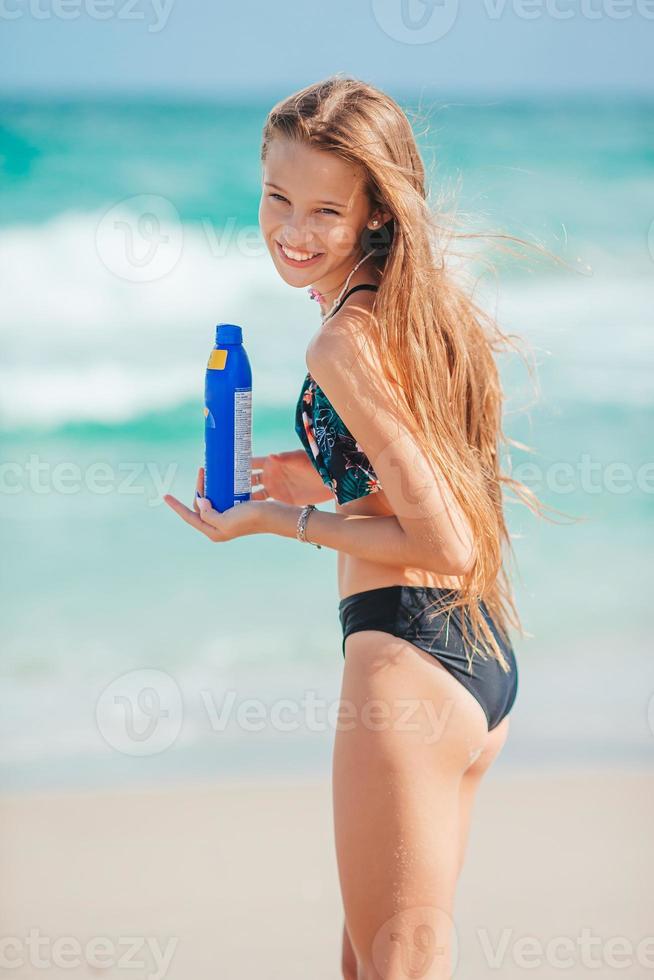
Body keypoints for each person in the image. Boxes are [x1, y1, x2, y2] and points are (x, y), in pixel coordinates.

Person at [164, 74, 541, 980]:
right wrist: (324, 470)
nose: (293, 230)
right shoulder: (412, 307)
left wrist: (281, 519)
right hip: (472, 656)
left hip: (404, 663)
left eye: (326, 209)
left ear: (376, 211)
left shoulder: (341, 341)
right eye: (277, 196)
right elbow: (424, 473)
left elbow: (443, 536)